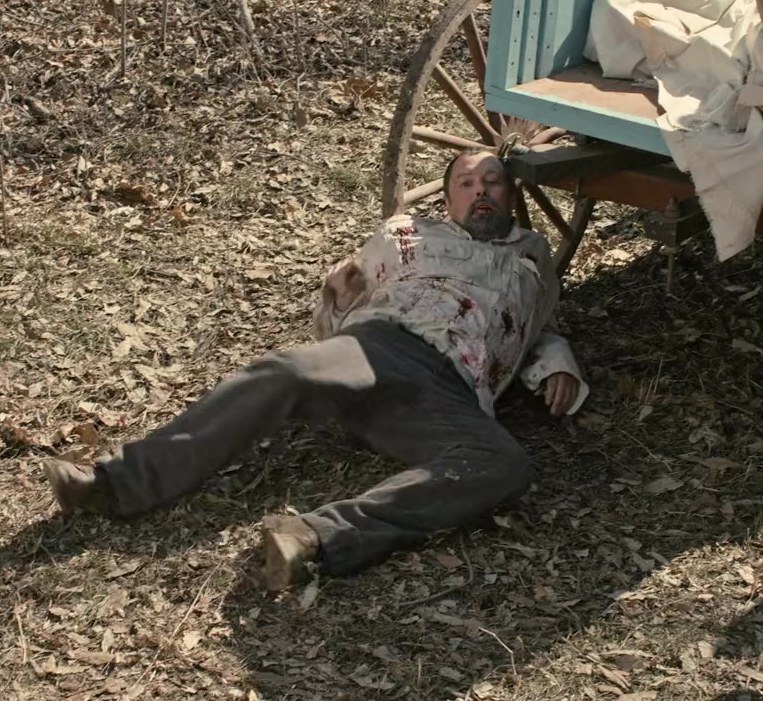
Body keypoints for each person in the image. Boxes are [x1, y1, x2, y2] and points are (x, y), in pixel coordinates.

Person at [40, 149, 589, 591]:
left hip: (450, 392)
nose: (480, 192)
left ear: (511, 195)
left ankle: (313, 537)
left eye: (492, 182)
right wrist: (338, 298)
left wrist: (555, 367)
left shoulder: (533, 255)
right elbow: (334, 320)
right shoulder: (406, 235)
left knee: (505, 465)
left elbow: (539, 327)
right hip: (380, 346)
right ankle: (115, 484)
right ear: (448, 200)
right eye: (466, 184)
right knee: (283, 373)